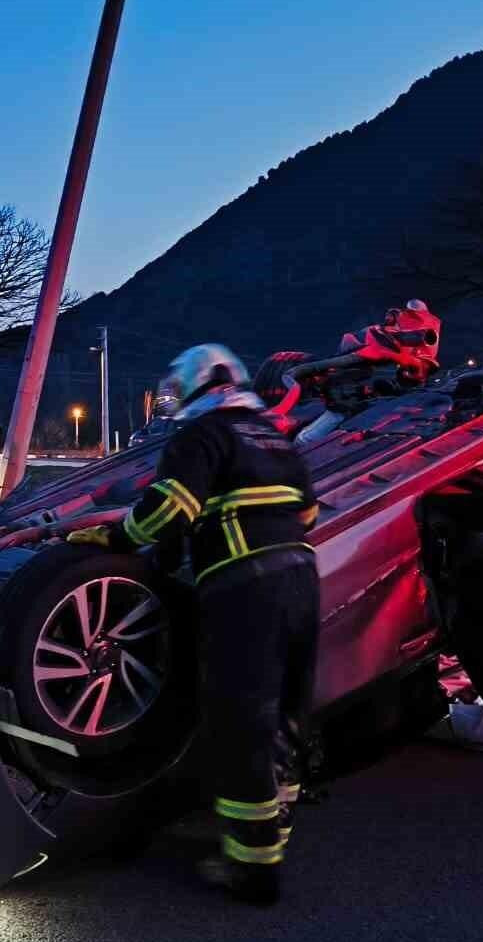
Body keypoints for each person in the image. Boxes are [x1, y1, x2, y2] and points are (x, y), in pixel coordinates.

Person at [68, 344, 318, 905]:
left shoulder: (200, 436)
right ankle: (276, 823)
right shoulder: (273, 435)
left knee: (240, 717)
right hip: (302, 579)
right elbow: (307, 513)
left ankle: (253, 868)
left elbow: (169, 508)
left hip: (244, 586)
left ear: (203, 385)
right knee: (286, 708)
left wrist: (118, 540)